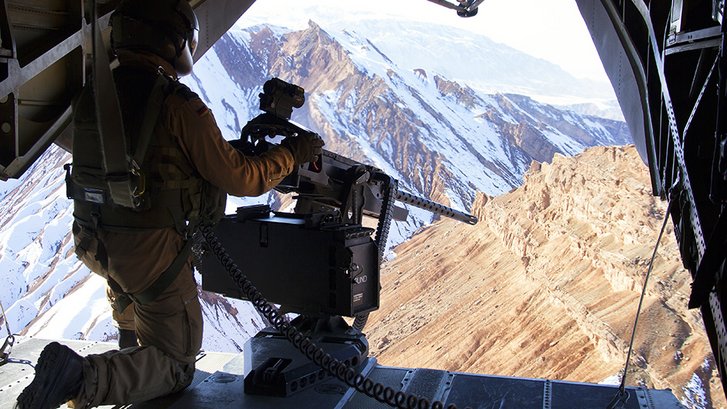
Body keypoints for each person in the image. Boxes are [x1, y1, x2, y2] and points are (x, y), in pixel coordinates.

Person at [16, 0, 323, 408]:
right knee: (177, 364)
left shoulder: (95, 93)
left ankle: (129, 358)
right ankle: (78, 379)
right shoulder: (177, 103)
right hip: (147, 248)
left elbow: (149, 159)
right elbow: (244, 179)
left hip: (94, 237)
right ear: (173, 40)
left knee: (133, 303)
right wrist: (292, 154)